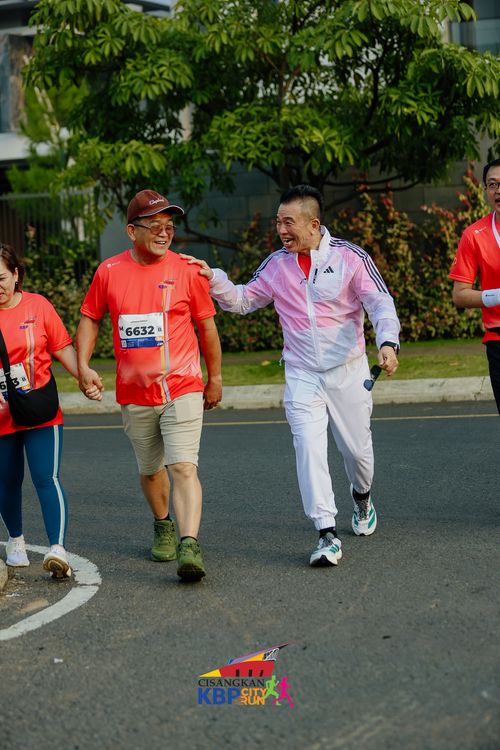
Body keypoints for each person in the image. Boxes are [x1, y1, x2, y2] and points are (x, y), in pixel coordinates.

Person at [182, 184, 400, 567]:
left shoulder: (350, 258)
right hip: (301, 374)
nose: (281, 230)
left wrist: (388, 342)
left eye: (288, 222)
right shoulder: (276, 265)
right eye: (278, 222)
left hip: (348, 371)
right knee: (308, 448)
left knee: (357, 452)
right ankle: (326, 533)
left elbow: (380, 302)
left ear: (313, 224)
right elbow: (243, 300)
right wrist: (212, 277)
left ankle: (362, 497)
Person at [76, 190, 222, 582]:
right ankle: (163, 524)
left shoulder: (187, 270)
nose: (164, 232)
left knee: (183, 466)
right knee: (151, 470)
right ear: (131, 231)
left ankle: (189, 544)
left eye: (169, 226)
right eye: (154, 225)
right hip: (134, 392)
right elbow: (90, 317)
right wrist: (84, 366)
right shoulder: (109, 271)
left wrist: (215, 378)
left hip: (182, 384)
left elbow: (207, 327)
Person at [0, 243, 100, 578]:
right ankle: (16, 541)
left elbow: (61, 347)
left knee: (46, 477)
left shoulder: (38, 306)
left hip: (40, 408)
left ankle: (58, 549)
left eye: (1, 278)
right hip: (2, 413)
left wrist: (84, 375)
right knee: (6, 481)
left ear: (16, 274)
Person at [450, 158, 500, 414]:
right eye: (493, 184)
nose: (498, 190)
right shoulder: (474, 234)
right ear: (485, 190)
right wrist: (498, 296)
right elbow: (460, 295)